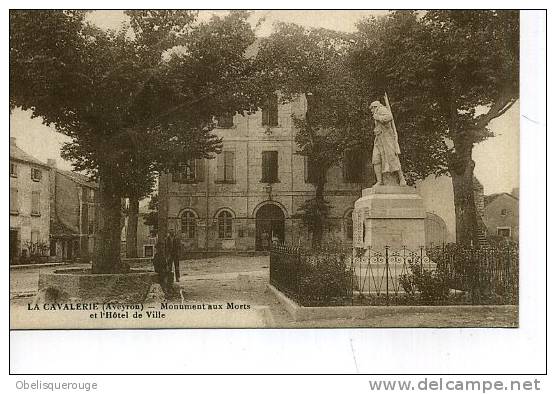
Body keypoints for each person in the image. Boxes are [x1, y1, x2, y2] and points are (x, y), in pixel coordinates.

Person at [369, 100, 407, 186]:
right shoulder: (377, 112)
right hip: (379, 139)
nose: (371, 111)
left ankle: (401, 178)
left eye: (371, 108)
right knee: (376, 159)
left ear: (375, 107)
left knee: (392, 157)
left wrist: (378, 117)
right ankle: (379, 181)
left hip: (387, 138)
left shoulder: (381, 109)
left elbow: (389, 117)